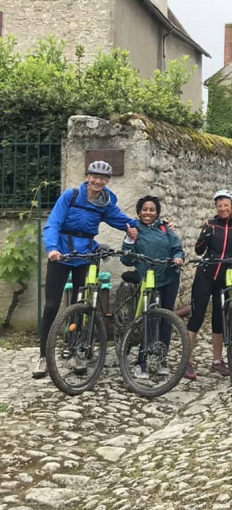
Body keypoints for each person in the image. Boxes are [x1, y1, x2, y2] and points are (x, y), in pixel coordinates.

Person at [33, 160, 138, 379]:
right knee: (52, 305)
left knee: (81, 305)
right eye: (95, 176)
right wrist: (52, 248)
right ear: (87, 177)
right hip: (62, 254)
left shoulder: (105, 202)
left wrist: (149, 224)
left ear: (107, 181)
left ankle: (75, 351)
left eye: (103, 178)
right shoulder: (70, 196)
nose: (99, 181)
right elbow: (53, 223)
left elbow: (122, 220)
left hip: (86, 255)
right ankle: (43, 355)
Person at [187, 189, 232, 380]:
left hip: (225, 276)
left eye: (226, 205)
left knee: (219, 319)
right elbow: (198, 251)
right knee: (197, 317)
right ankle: (187, 362)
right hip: (205, 274)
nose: (223, 208)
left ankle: (217, 361)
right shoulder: (210, 225)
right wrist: (204, 236)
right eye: (219, 205)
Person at [120, 195, 185, 378]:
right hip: (149, 279)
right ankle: (140, 362)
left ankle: (161, 358)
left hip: (170, 277)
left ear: (157, 213)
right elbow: (126, 258)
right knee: (149, 319)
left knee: (166, 319)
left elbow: (177, 248)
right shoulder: (134, 229)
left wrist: (179, 257)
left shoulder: (165, 228)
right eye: (145, 210)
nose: (148, 213)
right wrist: (129, 239)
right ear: (139, 212)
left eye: (152, 210)